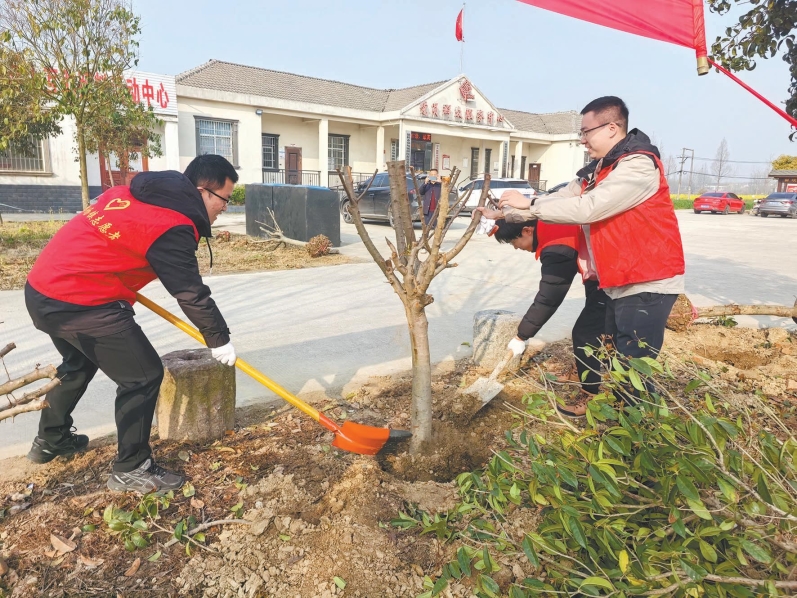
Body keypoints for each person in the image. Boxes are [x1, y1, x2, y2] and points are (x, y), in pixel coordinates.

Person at [25, 154, 239, 492]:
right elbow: (189, 292)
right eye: (224, 199)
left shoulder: (130, 193)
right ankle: (131, 468)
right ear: (202, 191)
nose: (225, 208)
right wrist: (219, 338)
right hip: (81, 301)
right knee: (143, 375)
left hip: (42, 289)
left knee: (78, 363)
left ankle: (50, 440)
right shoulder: (173, 224)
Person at [498, 96, 685, 413]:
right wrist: (505, 214)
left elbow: (589, 207)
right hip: (618, 280)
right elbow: (561, 197)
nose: (582, 140)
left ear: (612, 128)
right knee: (613, 353)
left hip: (646, 279)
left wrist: (528, 204)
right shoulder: (599, 170)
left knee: (633, 365)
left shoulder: (638, 165)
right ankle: (617, 414)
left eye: (586, 132)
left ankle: (642, 429)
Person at [477, 208, 608, 414]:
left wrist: (522, 335)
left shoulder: (557, 245)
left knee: (585, 334)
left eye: (513, 242)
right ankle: (581, 369)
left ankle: (590, 394)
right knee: (598, 325)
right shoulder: (549, 221)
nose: (516, 248)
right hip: (599, 271)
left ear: (527, 231)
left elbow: (549, 297)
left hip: (615, 274)